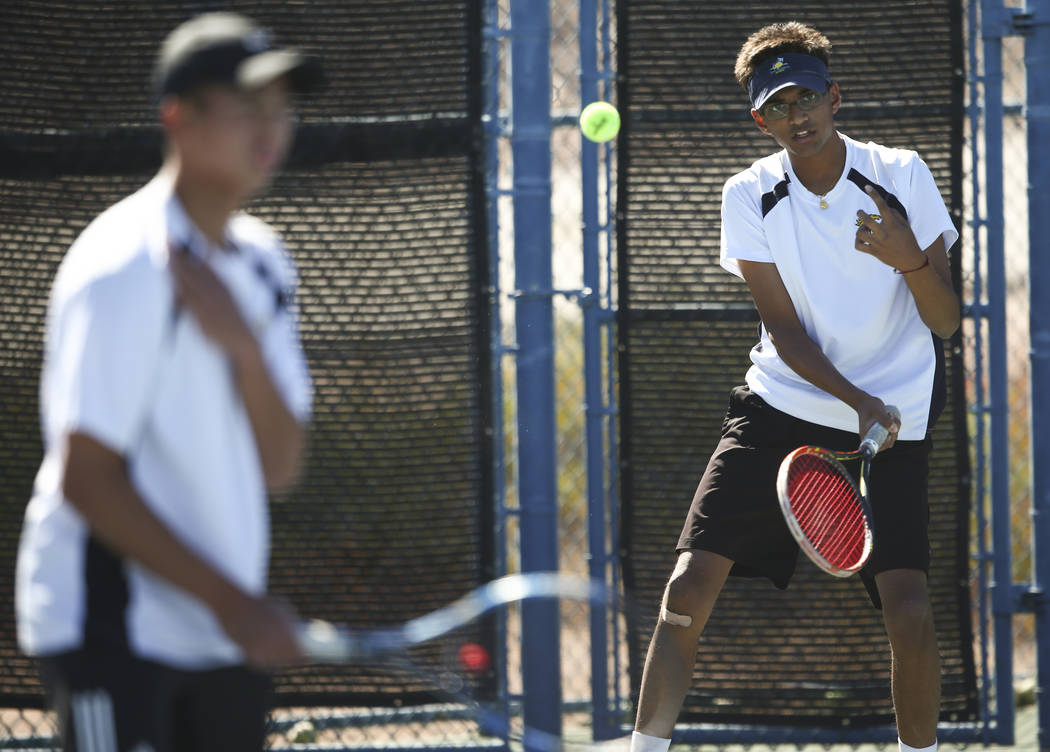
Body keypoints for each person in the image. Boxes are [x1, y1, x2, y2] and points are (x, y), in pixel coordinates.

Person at [628, 21, 960, 752]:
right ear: (759, 119)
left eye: (807, 96)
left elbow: (945, 317)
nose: (796, 115)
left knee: (910, 613)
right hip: (780, 405)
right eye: (777, 105)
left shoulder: (900, 173)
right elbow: (784, 331)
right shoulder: (748, 194)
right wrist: (855, 400)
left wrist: (908, 258)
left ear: (834, 97)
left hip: (892, 423)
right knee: (686, 591)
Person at [15, 12, 322, 752]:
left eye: (279, 107)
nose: (269, 128)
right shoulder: (121, 265)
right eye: (245, 106)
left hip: (222, 642)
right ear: (176, 118)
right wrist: (236, 606)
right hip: (110, 628)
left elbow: (280, 468)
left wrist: (243, 348)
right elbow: (88, 478)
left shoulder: (265, 263)